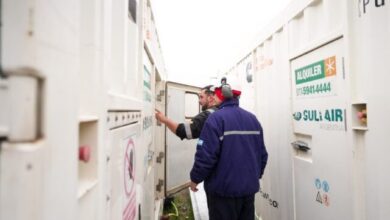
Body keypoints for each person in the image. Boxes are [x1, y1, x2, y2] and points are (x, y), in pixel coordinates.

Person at [189, 79, 268, 220]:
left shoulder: (215, 119)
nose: (213, 97)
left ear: (223, 94)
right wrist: (255, 176)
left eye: (216, 94)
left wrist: (195, 178)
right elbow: (262, 155)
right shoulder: (253, 119)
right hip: (248, 191)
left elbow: (206, 156)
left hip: (222, 194)